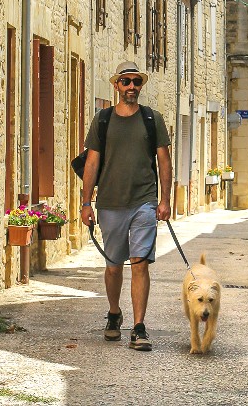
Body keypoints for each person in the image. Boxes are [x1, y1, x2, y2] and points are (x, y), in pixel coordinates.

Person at [80, 61, 172, 352]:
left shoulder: (151, 118)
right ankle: (114, 313)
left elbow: (164, 161)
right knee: (113, 267)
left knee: (140, 263)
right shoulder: (103, 120)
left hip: (143, 201)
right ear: (116, 86)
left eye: (136, 82)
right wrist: (85, 202)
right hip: (109, 202)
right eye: (126, 82)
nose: (131, 87)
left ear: (140, 86)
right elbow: (92, 161)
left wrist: (165, 200)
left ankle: (139, 327)